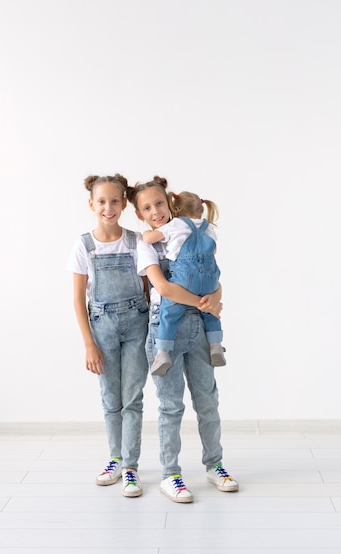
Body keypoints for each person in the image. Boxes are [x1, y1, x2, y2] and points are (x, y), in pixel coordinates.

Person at [127, 176, 238, 503]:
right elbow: (163, 288)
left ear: (170, 204)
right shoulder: (146, 244)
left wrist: (215, 296)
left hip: (201, 327)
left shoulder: (193, 231)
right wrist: (205, 301)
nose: (156, 211)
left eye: (160, 204)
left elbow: (214, 276)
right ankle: (170, 474)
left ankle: (214, 464)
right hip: (167, 328)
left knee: (208, 399)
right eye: (147, 208)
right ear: (140, 214)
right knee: (171, 404)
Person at [67, 174, 149, 498]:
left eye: (115, 201)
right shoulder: (83, 245)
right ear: (91, 204)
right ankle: (115, 457)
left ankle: (131, 466)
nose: (108, 207)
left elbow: (148, 286)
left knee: (133, 397)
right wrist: (89, 344)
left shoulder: (136, 241)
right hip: (101, 327)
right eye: (101, 201)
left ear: (124, 204)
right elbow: (77, 299)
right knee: (109, 397)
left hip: (136, 324)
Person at [142, 190, 226, 375]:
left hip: (185, 278)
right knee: (211, 314)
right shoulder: (207, 226)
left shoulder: (176, 224)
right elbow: (214, 251)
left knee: (169, 311)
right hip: (210, 278)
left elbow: (148, 238)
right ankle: (216, 346)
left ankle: (163, 352)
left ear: (176, 209)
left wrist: (147, 232)